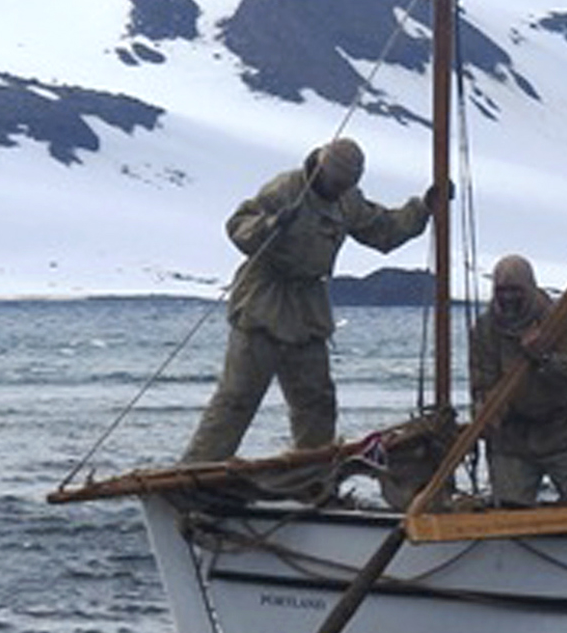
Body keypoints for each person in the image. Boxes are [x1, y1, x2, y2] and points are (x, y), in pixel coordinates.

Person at [183, 137, 433, 462]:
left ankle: (311, 478)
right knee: (237, 398)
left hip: (308, 307)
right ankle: (197, 471)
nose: (339, 190)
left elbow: (383, 230)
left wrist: (423, 208)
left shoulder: (348, 201)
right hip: (265, 299)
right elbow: (237, 226)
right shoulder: (286, 189)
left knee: (316, 402)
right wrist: (270, 224)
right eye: (336, 183)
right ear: (321, 170)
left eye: (346, 185)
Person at [468, 254, 567, 506]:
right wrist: (485, 409)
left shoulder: (558, 319)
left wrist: (545, 358)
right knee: (507, 511)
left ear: (530, 287)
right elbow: (481, 382)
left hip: (563, 429)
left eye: (515, 290)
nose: (508, 298)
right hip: (513, 437)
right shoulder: (484, 329)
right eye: (501, 291)